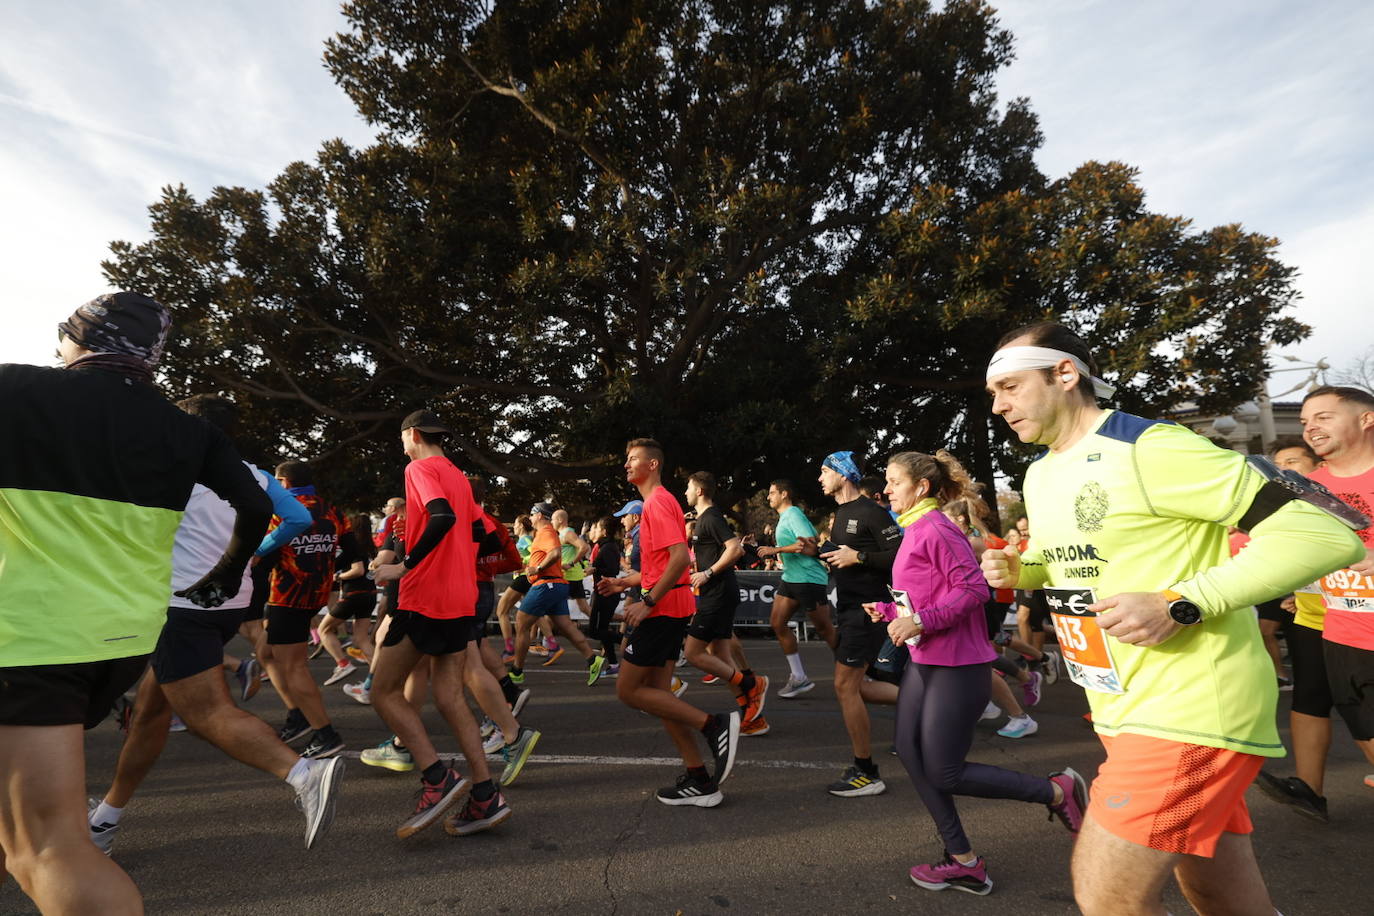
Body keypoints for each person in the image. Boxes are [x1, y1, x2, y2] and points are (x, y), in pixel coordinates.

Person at [981, 320, 1363, 916]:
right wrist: (1022, 569)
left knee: (1108, 897)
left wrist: (1181, 603)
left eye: (1009, 386)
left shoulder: (1152, 447)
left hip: (1188, 711)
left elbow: (1326, 533)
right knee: (1220, 894)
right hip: (1121, 705)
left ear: (1065, 374)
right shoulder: (1041, 471)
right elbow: (1075, 561)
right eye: (993, 394)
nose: (999, 406)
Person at [0, 293, 273, 914]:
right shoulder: (189, 428)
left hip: (31, 639)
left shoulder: (13, 388)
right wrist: (226, 576)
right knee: (17, 823)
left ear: (80, 340)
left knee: (47, 848)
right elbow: (255, 507)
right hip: (124, 639)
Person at [87, 394, 341, 855]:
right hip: (228, 603)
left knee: (206, 714)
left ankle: (304, 773)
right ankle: (105, 820)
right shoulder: (253, 474)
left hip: (184, 607)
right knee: (149, 715)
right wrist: (255, 552)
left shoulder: (171, 470)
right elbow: (299, 518)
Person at [865, 449, 1085, 895]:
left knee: (944, 772)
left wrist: (920, 621)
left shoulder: (937, 528)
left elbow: (973, 589)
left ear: (921, 487)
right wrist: (891, 609)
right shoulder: (913, 529)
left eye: (893, 481)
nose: (886, 489)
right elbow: (926, 593)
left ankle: (1056, 791)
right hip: (925, 660)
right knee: (909, 751)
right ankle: (964, 860)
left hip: (958, 663)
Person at [370, 410, 513, 838]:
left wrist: (406, 564)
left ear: (411, 434)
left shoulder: (419, 468)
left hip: (424, 598)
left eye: (402, 439)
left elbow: (442, 517)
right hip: (460, 599)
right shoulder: (457, 474)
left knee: (383, 691)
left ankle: (437, 778)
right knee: (450, 697)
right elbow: (478, 532)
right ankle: (485, 795)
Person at [1258, 387, 1374, 819]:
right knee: (1363, 724)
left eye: (1323, 417)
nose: (1310, 428)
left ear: (1366, 420)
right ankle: (1309, 788)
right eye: (1306, 421)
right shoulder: (1311, 488)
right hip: (1343, 628)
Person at [607, 439, 741, 806]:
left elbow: (681, 559)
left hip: (663, 609)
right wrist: (624, 582)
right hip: (669, 605)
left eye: (632, 459)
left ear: (652, 464)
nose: (626, 465)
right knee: (660, 698)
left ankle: (713, 726)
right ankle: (699, 778)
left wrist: (647, 602)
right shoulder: (660, 503)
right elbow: (659, 565)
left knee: (628, 691)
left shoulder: (657, 502)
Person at [816, 450, 904, 797]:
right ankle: (926, 703)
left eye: (825, 471)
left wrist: (860, 556)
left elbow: (900, 554)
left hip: (868, 612)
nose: (820, 478)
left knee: (845, 686)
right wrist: (818, 552)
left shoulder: (870, 511)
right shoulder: (840, 514)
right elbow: (843, 556)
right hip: (850, 609)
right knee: (859, 686)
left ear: (843, 473)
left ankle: (867, 772)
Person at [261, 461, 347, 759]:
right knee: (266, 653)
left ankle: (324, 733)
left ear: (283, 482)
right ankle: (297, 714)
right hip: (315, 594)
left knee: (293, 666)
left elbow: (264, 553)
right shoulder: (331, 509)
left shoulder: (281, 512)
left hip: (287, 596)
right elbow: (349, 547)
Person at [683, 472, 769, 735]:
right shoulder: (703, 520)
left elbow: (735, 548)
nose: (684, 492)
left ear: (699, 490)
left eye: (688, 487)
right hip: (716, 592)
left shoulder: (711, 517)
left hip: (718, 593)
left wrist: (708, 573)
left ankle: (753, 683)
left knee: (692, 653)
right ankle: (753, 718)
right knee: (720, 656)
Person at [755, 480, 837, 697]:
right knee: (777, 623)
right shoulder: (785, 517)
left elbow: (808, 542)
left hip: (809, 579)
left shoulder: (793, 514)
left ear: (784, 494)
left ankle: (857, 670)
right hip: (791, 577)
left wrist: (777, 549)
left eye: (772, 493)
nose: (768, 497)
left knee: (824, 629)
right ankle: (799, 677)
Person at [507, 504, 604, 686]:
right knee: (566, 627)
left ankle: (516, 671)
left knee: (521, 623)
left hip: (547, 584)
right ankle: (593, 660)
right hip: (556, 584)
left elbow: (555, 552)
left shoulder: (546, 532)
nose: (530, 517)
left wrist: (538, 568)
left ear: (541, 516)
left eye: (532, 513)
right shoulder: (545, 533)